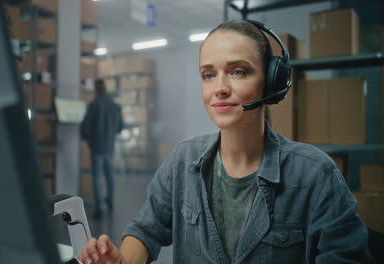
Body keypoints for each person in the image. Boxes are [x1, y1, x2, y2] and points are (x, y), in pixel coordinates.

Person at [77, 20, 374, 263]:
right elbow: (145, 230)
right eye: (208, 75)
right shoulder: (182, 161)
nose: (219, 88)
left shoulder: (314, 175)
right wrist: (122, 261)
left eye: (238, 71)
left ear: (271, 81)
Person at [80, 79, 124, 218]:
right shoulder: (115, 106)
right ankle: (110, 200)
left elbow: (86, 127)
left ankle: (99, 206)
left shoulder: (93, 105)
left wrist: (87, 137)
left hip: (97, 146)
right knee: (110, 175)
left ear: (96, 90)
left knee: (97, 176)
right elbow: (120, 127)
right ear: (105, 88)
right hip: (109, 146)